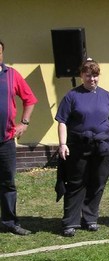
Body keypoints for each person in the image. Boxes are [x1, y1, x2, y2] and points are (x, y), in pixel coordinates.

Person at [55, 59, 109, 237]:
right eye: (88, 75)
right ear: (81, 76)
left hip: (102, 147)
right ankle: (70, 222)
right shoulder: (72, 96)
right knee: (76, 183)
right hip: (78, 147)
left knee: (97, 182)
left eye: (95, 75)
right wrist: (63, 144)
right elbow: (62, 121)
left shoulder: (106, 96)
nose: (92, 79)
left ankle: (90, 219)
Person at [0, 40, 37, 236]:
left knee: (7, 182)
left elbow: (30, 99)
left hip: (5, 141)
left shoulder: (12, 75)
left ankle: (9, 222)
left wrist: (24, 122)